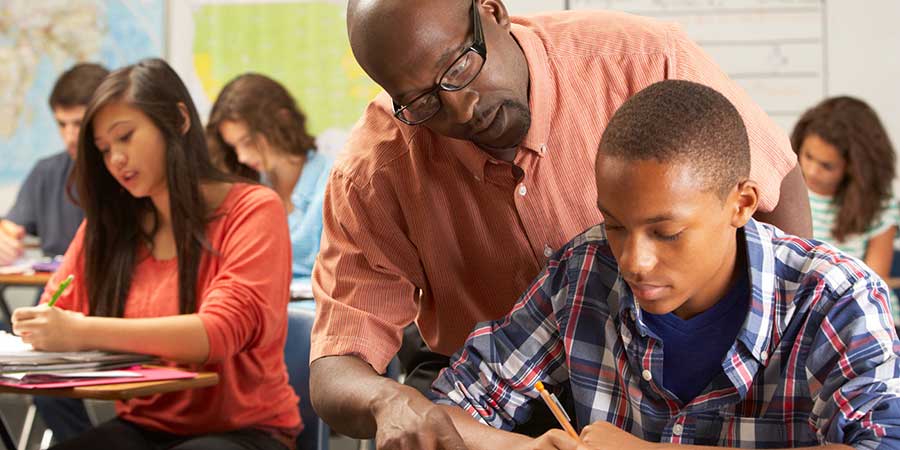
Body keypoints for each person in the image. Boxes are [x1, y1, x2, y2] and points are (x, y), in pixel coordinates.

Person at [309, 1, 812, 448]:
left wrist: (779, 340)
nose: (461, 108)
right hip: (487, 379)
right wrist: (386, 403)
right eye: (420, 101)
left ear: (493, 11)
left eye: (460, 66)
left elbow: (773, 176)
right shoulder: (373, 171)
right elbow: (337, 362)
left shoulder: (639, 59)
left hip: (658, 365)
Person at [431, 79, 900, 450]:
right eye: (615, 224)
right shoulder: (583, 271)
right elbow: (452, 406)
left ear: (742, 204)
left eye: (667, 233)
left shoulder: (838, 297)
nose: (634, 262)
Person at [11, 58, 300, 450]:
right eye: (103, 149)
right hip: (145, 427)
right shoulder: (111, 224)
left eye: (126, 137)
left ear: (179, 121)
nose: (115, 160)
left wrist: (78, 330)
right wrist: (43, 328)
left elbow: (217, 332)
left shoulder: (253, 209)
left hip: (246, 432)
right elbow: (54, 312)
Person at [206, 73, 333, 283]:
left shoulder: (332, 184)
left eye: (248, 142)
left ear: (281, 120)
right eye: (233, 146)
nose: (242, 156)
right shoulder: (250, 187)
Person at [792, 97, 900, 322]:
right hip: (798, 310)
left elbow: (873, 284)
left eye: (826, 166)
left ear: (854, 168)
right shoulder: (785, 191)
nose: (811, 171)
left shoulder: (879, 206)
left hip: (860, 313)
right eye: (808, 156)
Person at [0, 63, 109, 265]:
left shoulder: (128, 171)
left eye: (79, 124)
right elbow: (10, 227)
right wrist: (4, 237)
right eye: (61, 124)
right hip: (55, 291)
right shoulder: (46, 172)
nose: (70, 137)